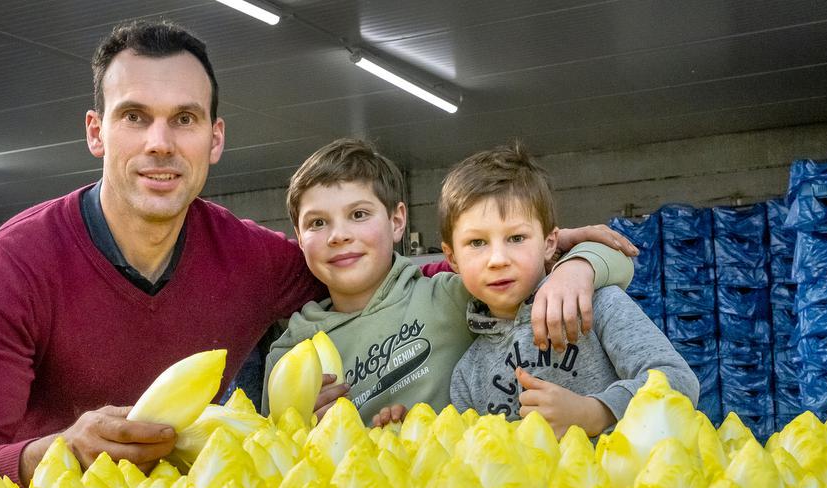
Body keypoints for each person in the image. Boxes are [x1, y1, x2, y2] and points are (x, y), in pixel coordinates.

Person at [0, 20, 636, 488]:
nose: (161, 143)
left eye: (185, 120)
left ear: (215, 140)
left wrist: (573, 261)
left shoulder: (256, 261)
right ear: (97, 133)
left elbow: (431, 275)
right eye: (135, 117)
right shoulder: (19, 261)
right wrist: (59, 450)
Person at [263, 138, 634, 425]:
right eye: (317, 223)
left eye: (358, 214)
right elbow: (273, 448)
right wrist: (301, 425)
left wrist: (576, 266)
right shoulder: (292, 350)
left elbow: (622, 261)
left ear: (397, 221)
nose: (338, 235)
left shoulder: (450, 296)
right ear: (297, 235)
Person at [444, 144, 699, 438]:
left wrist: (596, 412)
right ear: (452, 258)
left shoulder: (598, 303)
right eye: (477, 243)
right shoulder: (466, 374)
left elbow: (680, 383)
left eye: (516, 237)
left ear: (550, 243)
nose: (498, 259)